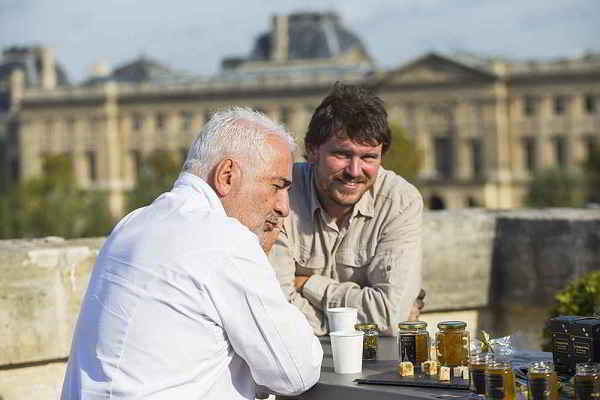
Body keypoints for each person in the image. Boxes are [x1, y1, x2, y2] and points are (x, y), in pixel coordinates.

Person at [61, 108, 323, 399]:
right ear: (226, 175)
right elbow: (297, 371)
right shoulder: (223, 239)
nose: (283, 207)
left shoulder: (133, 223)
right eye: (276, 186)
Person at [269, 82, 425, 337]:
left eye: (368, 158)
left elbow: (389, 315)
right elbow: (274, 311)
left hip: (372, 359)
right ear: (312, 150)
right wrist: (357, 323)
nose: (354, 171)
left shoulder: (401, 201)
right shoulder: (281, 193)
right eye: (342, 154)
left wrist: (307, 283)